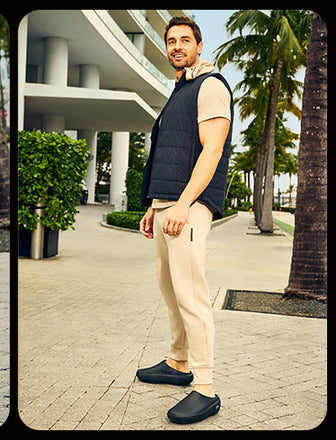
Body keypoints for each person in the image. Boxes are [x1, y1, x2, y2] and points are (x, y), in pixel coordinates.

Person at [137, 15, 233, 425]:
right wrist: (153, 205)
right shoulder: (181, 88)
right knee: (170, 288)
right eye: (171, 41)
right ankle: (178, 363)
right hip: (166, 204)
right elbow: (170, 153)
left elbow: (211, 151)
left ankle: (206, 388)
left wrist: (181, 205)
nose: (177, 46)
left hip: (187, 206)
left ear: (198, 45)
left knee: (191, 292)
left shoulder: (210, 86)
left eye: (184, 40)